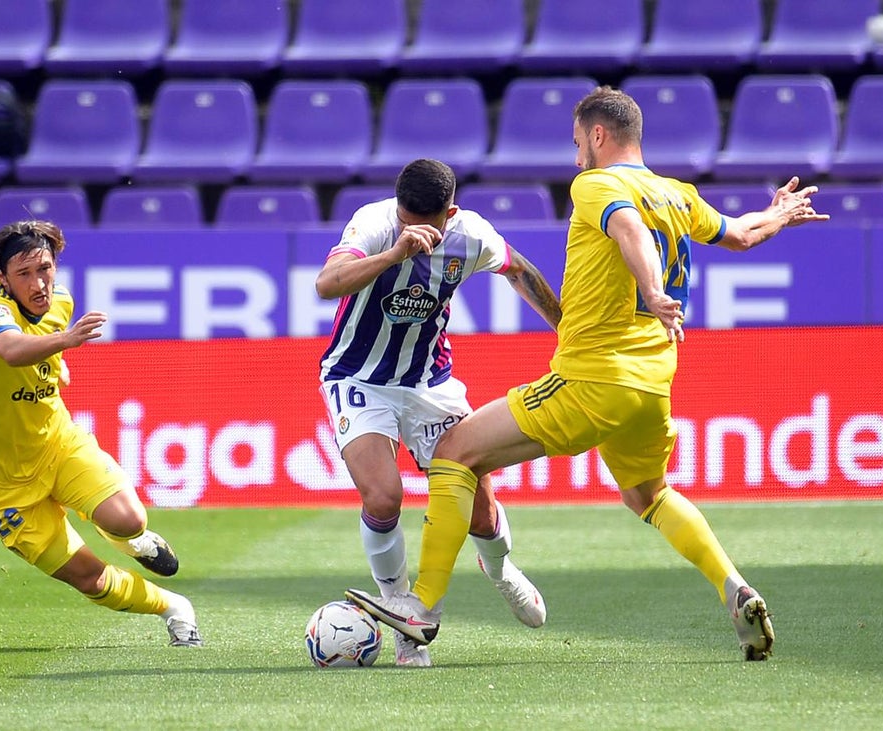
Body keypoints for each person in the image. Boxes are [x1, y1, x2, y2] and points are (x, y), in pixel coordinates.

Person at [347, 87, 830, 661]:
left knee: (453, 453)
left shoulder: (599, 185)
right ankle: (735, 588)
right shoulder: (677, 195)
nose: (576, 153)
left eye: (578, 140)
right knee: (649, 494)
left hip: (592, 378)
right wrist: (777, 212)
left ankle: (421, 608)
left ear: (599, 134)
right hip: (652, 384)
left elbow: (627, 230)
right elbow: (742, 234)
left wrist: (652, 288)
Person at [316, 158, 562, 667]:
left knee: (481, 511)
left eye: (424, 224)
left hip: (432, 384)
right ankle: (405, 618)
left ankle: (501, 571)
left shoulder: (470, 234)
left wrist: (568, 331)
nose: (414, 230)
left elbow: (519, 271)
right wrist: (393, 252)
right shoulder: (375, 222)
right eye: (406, 219)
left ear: (451, 212)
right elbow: (327, 283)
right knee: (383, 497)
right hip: (358, 377)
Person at [0, 220, 202, 648]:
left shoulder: (61, 302)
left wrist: (60, 342)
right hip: (0, 485)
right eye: (24, 274)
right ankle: (175, 608)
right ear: (1, 279)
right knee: (88, 577)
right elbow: (11, 350)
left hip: (56, 443)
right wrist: (66, 341)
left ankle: (136, 542)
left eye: (45, 269)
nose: (39, 283)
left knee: (128, 520)